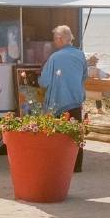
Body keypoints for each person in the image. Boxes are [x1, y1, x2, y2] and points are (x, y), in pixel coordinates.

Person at [39, 25, 87, 172]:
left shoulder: (54, 58)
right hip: (76, 101)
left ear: (60, 39)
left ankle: (60, 165)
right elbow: (84, 76)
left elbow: (44, 82)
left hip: (59, 103)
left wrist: (39, 77)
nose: (54, 42)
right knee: (75, 136)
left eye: (55, 39)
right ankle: (76, 166)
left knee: (57, 136)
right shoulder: (80, 55)